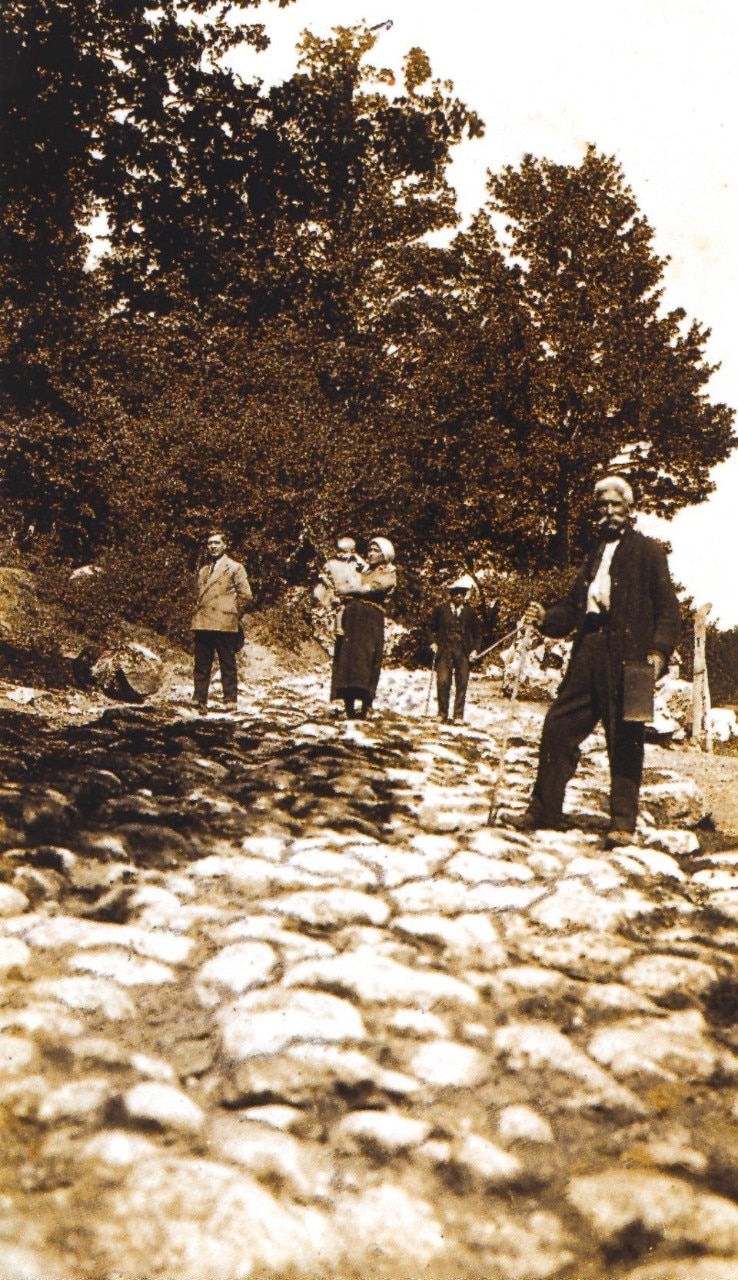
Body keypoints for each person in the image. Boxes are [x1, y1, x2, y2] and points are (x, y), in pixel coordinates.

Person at [515, 475, 681, 848]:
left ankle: (622, 823)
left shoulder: (649, 552)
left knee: (625, 738)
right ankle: (544, 811)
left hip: (631, 657)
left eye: (615, 505)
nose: (608, 512)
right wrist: (544, 618)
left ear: (630, 509)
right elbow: (574, 608)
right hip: (588, 649)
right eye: (602, 505)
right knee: (558, 726)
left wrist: (658, 652)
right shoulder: (593, 553)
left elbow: (670, 612)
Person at [331, 536, 397, 719]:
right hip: (352, 619)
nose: (371, 554)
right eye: (370, 550)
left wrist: (349, 590)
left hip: (370, 620)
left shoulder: (388, 572)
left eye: (376, 551)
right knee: (348, 658)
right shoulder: (363, 570)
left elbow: (372, 589)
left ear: (385, 555)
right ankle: (348, 706)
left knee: (367, 658)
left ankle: (366, 705)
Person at [191, 531, 252, 712]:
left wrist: (232, 613)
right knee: (201, 663)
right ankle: (199, 699)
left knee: (227, 663)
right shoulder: (203, 570)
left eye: (217, 543)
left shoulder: (235, 567)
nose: (213, 546)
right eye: (210, 543)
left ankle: (230, 700)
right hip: (203, 622)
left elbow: (246, 595)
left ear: (225, 545)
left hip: (224, 622)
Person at [428, 574, 482, 722]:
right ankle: (442, 714)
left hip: (463, 651)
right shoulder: (441, 610)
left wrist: (475, 650)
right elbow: (429, 628)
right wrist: (433, 642)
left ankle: (458, 716)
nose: (459, 596)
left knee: (462, 682)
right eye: (457, 593)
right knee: (443, 681)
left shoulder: (470, 612)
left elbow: (478, 633)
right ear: (451, 594)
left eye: (462, 593)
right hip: (444, 649)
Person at [314, 537, 368, 636]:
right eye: (339, 551)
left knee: (350, 609)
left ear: (351, 551)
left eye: (344, 552)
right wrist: (327, 581)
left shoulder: (355, 562)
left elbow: (366, 568)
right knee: (338, 606)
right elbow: (323, 574)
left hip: (350, 591)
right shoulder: (332, 562)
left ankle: (348, 628)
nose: (341, 555)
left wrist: (356, 557)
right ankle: (336, 627)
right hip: (336, 590)